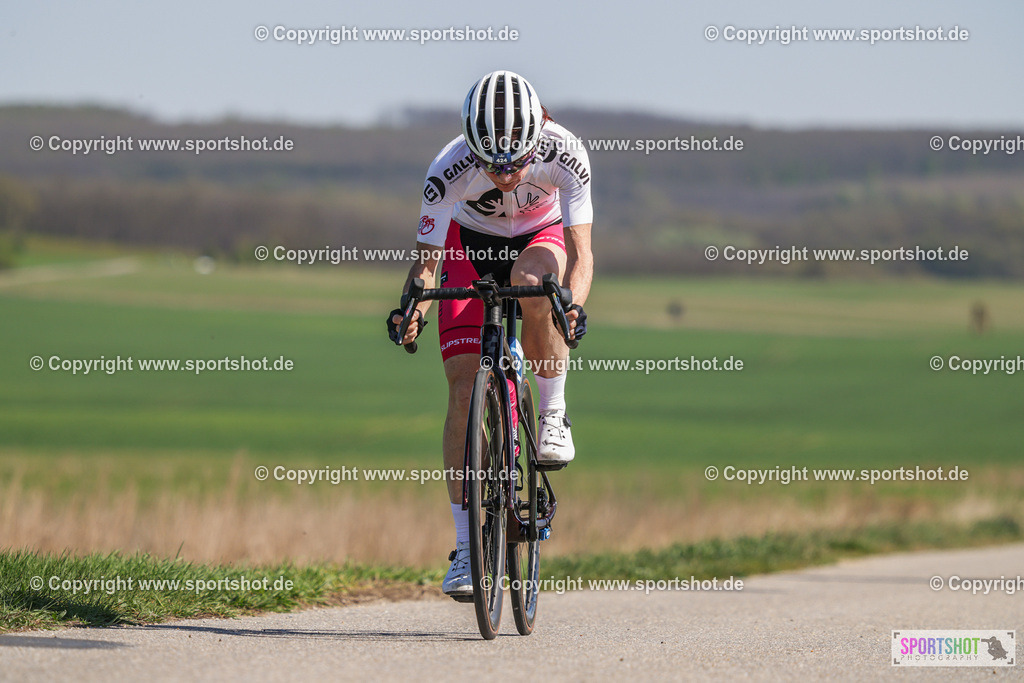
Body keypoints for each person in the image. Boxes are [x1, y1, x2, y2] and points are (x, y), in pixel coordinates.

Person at [387, 70, 593, 598]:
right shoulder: (447, 167)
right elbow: (426, 267)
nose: (503, 174)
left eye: (515, 163)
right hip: (468, 243)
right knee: (461, 390)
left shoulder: (565, 152)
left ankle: (551, 413)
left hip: (538, 237)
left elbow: (583, 256)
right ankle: (464, 550)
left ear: (536, 137)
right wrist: (412, 309)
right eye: (491, 163)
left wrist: (572, 307)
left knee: (534, 286)